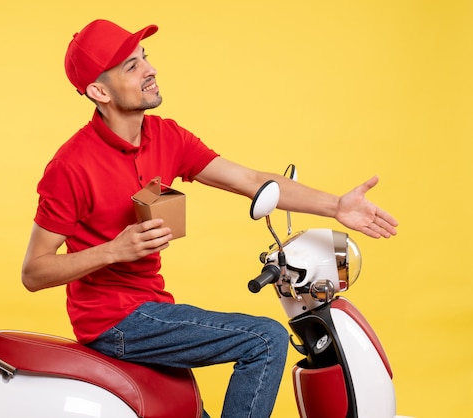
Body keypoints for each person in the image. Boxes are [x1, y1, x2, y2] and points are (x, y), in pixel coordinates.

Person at [21, 19, 398, 418]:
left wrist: (336, 206)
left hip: (153, 308)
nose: (150, 70)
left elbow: (252, 180)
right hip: (114, 321)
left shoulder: (167, 137)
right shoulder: (71, 166)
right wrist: (116, 250)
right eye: (131, 66)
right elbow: (34, 271)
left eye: (144, 58)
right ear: (99, 91)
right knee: (266, 340)